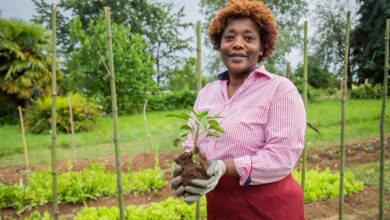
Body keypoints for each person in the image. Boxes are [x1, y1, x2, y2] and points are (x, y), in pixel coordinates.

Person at [171, 0, 306, 219]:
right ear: (219, 44)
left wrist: (224, 167)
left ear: (263, 46)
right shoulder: (207, 93)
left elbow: (282, 156)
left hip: (270, 207)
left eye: (249, 38)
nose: (237, 44)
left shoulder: (280, 90)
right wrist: (186, 172)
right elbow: (192, 144)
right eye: (229, 37)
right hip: (222, 207)